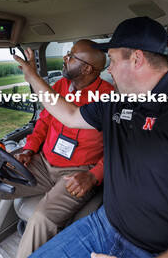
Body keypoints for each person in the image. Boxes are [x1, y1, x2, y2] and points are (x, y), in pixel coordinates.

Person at [14, 17, 168, 257]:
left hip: (161, 251)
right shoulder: (114, 103)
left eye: (112, 60)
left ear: (136, 59)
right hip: (103, 226)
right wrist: (32, 77)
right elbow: (67, 114)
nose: (109, 70)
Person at [10, 39, 114, 258]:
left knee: (41, 218)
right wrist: (29, 149)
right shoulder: (58, 87)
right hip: (44, 163)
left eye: (72, 56)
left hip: (77, 172)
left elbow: (118, 149)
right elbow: (44, 122)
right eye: (67, 53)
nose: (65, 59)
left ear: (86, 68)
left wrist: (94, 175)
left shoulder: (109, 99)